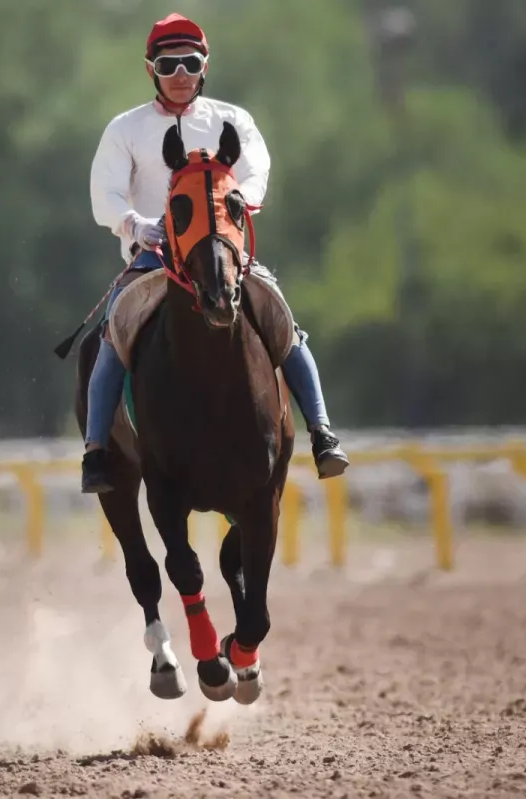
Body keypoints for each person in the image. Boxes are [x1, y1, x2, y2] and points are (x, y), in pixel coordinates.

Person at [81, 12, 349, 494]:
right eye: (168, 65)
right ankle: (96, 450)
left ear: (205, 65)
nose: (180, 74)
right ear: (150, 70)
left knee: (282, 317)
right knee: (113, 333)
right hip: (155, 259)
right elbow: (106, 194)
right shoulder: (124, 129)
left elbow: (255, 173)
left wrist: (232, 211)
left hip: (224, 257)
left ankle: (323, 433)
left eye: (189, 62)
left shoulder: (233, 121)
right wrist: (137, 226)